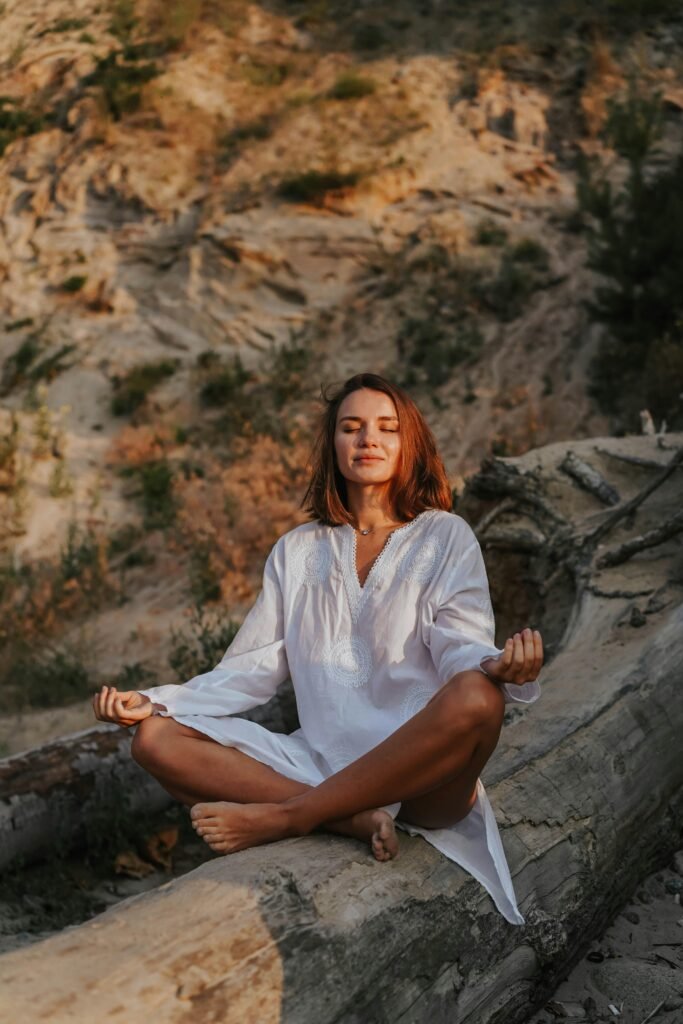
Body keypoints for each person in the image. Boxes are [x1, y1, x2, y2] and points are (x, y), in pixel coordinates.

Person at [93, 372, 543, 925]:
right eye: (351, 427)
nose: (368, 439)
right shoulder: (297, 550)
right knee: (155, 739)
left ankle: (290, 817)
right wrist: (157, 701)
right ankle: (347, 817)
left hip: (422, 777)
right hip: (319, 763)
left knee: (480, 696)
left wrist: (495, 665)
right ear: (333, 444)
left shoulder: (445, 536)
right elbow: (251, 668)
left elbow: (460, 641)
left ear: (410, 444)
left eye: (387, 428)